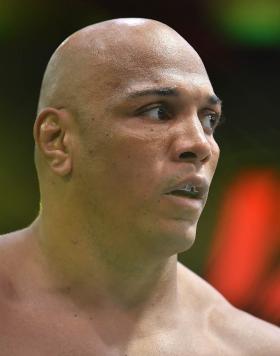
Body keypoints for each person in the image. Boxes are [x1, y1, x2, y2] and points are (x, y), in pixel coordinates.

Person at [0, 18, 279, 356]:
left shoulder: (250, 348)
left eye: (209, 120)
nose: (200, 144)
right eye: (159, 112)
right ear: (57, 140)